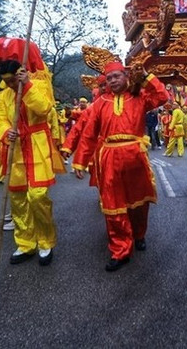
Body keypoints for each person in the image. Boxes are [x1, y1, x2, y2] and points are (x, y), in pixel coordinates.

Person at [72, 61, 169, 271]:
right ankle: (120, 249)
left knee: (139, 203)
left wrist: (146, 76)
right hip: (109, 156)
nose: (113, 81)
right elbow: (89, 134)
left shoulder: (139, 96)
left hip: (135, 155)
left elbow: (162, 97)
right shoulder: (100, 103)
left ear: (125, 77)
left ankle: (139, 234)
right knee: (112, 204)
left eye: (116, 76)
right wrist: (79, 161)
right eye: (109, 78)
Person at [0, 60, 65, 266]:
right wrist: (7, 131)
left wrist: (28, 87)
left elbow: (44, 109)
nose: (9, 85)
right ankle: (25, 243)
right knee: (18, 199)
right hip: (16, 150)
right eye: (5, 81)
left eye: (12, 80)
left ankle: (45, 241)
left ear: (20, 74)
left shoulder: (38, 86)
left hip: (37, 146)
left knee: (37, 196)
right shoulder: (5, 95)